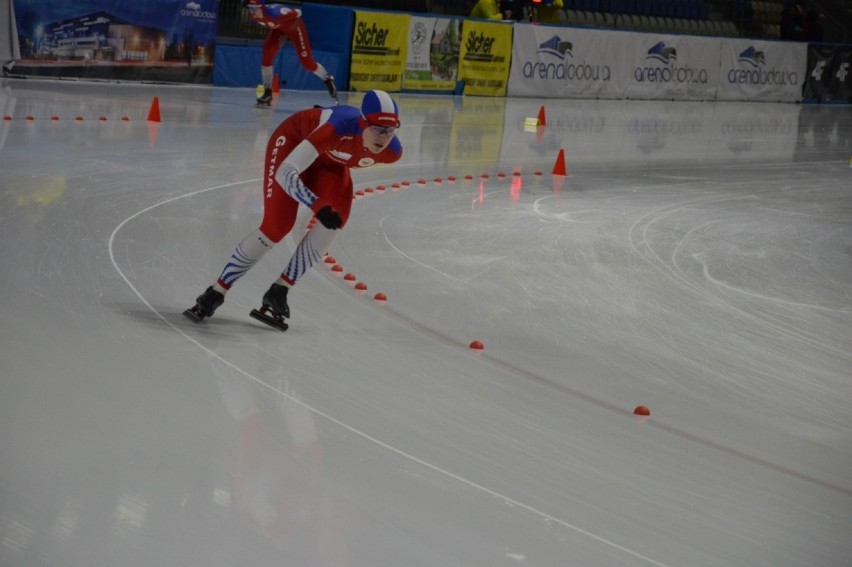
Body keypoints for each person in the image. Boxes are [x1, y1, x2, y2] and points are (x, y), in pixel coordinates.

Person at [184, 90, 403, 331]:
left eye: (390, 130)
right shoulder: (336, 129)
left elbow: (344, 157)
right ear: (363, 123)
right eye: (378, 129)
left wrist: (326, 203)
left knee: (336, 219)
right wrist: (316, 204)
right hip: (294, 142)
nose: (383, 137)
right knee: (276, 227)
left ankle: (280, 290)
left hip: (329, 160)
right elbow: (285, 173)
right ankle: (216, 291)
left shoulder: (392, 152)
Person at [245, 0, 338, 105]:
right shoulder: (253, 15)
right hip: (279, 29)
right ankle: (267, 93)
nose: (252, 11)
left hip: (294, 26)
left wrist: (290, 14)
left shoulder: (276, 13)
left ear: (261, 7)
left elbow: (298, 12)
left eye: (254, 8)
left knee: (307, 62)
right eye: (250, 7)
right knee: (267, 54)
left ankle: (327, 78)